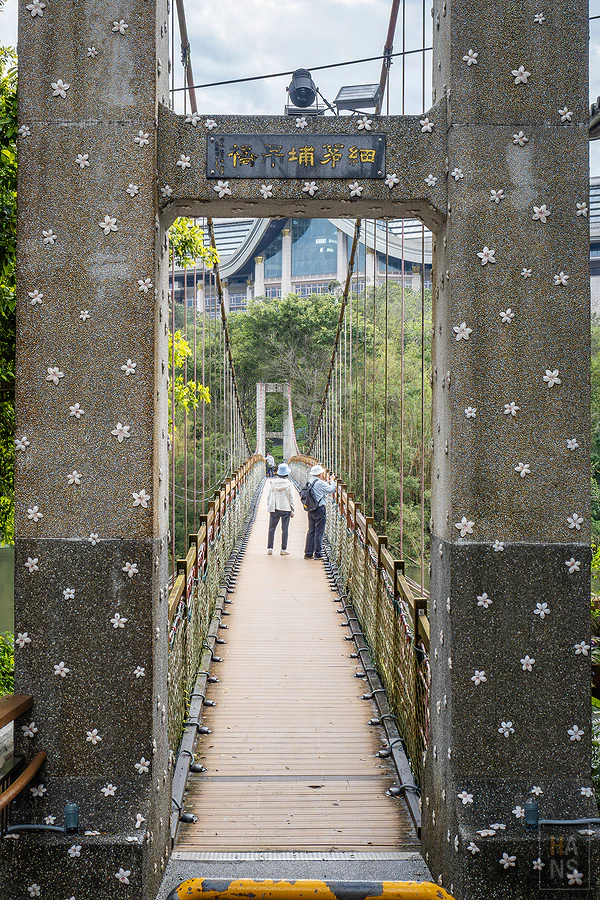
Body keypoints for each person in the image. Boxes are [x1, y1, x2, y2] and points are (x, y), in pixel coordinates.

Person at [304, 464, 336, 560]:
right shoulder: (320, 483)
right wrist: (332, 481)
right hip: (319, 508)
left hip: (311, 508)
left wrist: (327, 482)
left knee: (311, 530)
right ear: (319, 474)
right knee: (319, 531)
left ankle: (308, 553)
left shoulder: (310, 481)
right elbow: (331, 490)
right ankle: (318, 553)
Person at [266, 462, 295, 555]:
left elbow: (269, 495)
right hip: (286, 508)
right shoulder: (289, 484)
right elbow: (291, 498)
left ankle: (270, 548)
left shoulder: (273, 482)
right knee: (285, 530)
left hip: (275, 507)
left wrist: (269, 505)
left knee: (271, 529)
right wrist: (293, 510)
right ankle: (283, 549)